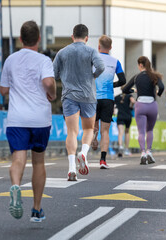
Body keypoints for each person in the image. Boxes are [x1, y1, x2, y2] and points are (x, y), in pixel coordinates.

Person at [0, 21, 56, 222]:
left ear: (20, 39)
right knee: (39, 161)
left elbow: (4, 90)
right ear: (39, 39)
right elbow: (48, 82)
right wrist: (52, 92)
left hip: (17, 118)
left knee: (18, 158)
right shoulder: (44, 60)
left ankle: (15, 185)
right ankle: (36, 209)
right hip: (40, 118)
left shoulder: (10, 60)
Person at [53, 24, 104, 181]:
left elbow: (53, 73)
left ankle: (71, 168)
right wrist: (92, 76)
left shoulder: (62, 52)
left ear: (72, 36)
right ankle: (84, 152)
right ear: (87, 38)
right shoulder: (90, 51)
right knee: (88, 129)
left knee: (72, 132)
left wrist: (65, 76)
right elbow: (101, 66)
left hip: (69, 96)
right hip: (88, 95)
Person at [91, 35, 126, 169]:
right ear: (110, 48)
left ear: (99, 46)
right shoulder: (115, 61)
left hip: (93, 98)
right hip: (108, 99)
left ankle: (94, 136)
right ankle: (103, 160)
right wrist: (113, 85)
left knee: (93, 127)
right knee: (105, 131)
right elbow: (123, 80)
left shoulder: (93, 60)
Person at [122, 56, 164, 165]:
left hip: (140, 105)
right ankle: (149, 152)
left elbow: (125, 89)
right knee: (149, 130)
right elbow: (162, 87)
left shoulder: (136, 77)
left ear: (140, 65)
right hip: (152, 105)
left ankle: (143, 153)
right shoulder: (154, 76)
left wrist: (135, 90)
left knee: (141, 131)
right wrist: (158, 93)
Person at [115, 93, 135, 157]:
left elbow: (113, 104)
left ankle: (120, 146)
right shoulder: (129, 95)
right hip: (128, 115)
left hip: (120, 115)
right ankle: (126, 149)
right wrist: (131, 106)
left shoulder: (117, 97)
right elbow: (133, 101)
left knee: (120, 132)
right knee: (127, 132)